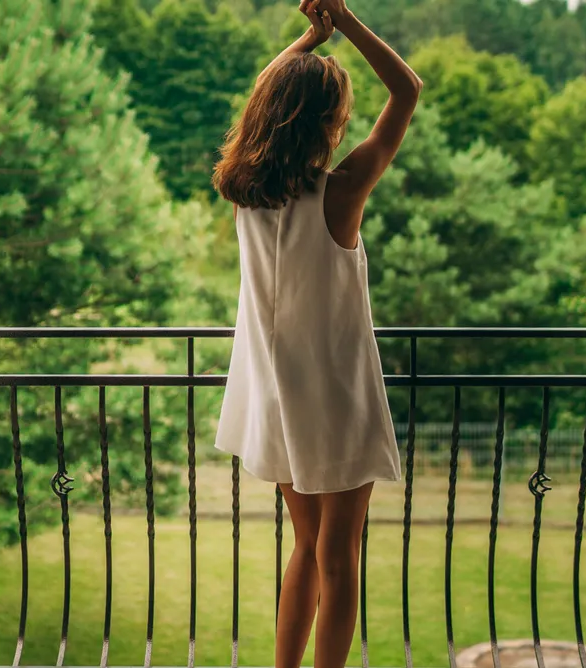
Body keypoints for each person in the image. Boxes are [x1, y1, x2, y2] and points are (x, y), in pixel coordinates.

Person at [211, 1, 422, 666]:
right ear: (327, 122)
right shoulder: (343, 191)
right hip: (335, 395)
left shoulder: (244, 192)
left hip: (276, 394)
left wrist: (312, 35)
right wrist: (345, 17)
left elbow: (261, 96)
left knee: (304, 548)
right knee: (340, 559)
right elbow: (408, 90)